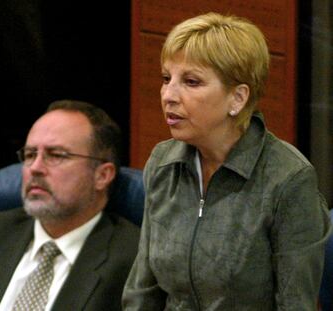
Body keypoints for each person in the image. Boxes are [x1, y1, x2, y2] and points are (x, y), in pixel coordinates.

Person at [122, 12, 331, 310]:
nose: (169, 95)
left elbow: (295, 303)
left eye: (191, 82)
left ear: (238, 98)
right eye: (167, 79)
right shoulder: (163, 162)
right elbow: (142, 291)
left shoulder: (288, 179)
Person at [0, 100, 140, 310]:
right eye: (30, 154)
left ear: (102, 175)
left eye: (56, 155)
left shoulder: (134, 263)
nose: (35, 167)